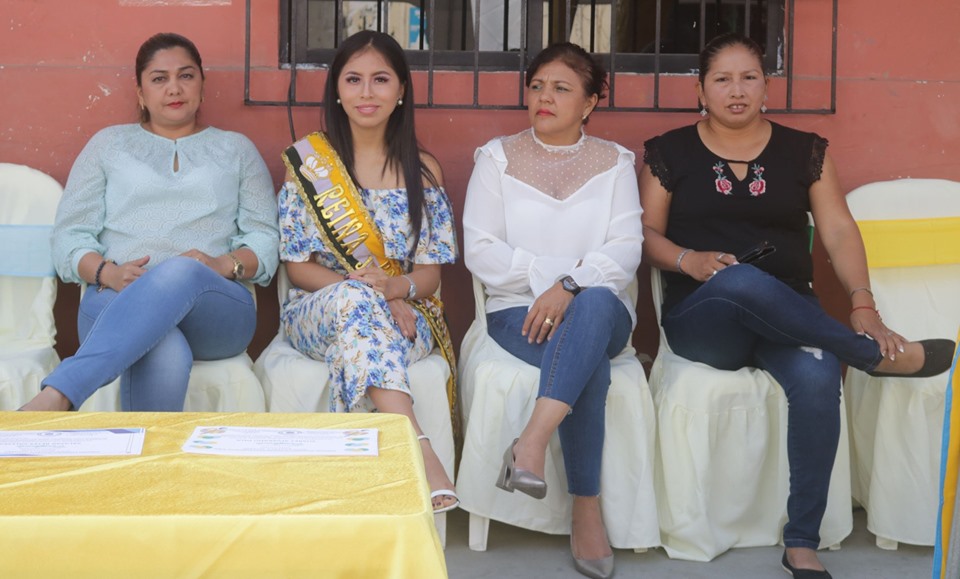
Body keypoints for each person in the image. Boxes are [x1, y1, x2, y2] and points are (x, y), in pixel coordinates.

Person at [639, 32, 955, 578]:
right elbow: (644, 235)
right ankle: (867, 356)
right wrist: (690, 260)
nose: (737, 90)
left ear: (767, 86)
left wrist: (862, 304)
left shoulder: (804, 151)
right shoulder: (669, 152)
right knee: (741, 280)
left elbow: (838, 231)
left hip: (788, 318)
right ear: (700, 90)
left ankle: (803, 540)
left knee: (816, 375)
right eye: (722, 79)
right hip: (705, 319)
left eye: (749, 78)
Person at [18, 33, 278, 413]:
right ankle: (145, 452)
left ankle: (60, 393)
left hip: (215, 311)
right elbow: (69, 237)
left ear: (202, 84)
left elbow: (265, 239)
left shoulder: (236, 150)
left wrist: (220, 264)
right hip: (115, 297)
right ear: (140, 92)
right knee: (162, 346)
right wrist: (108, 273)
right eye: (159, 79)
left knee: (183, 270)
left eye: (186, 76)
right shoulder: (108, 146)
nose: (174, 88)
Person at [463, 42, 643, 579]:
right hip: (517, 312)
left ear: (590, 102)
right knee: (587, 360)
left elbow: (626, 250)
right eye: (537, 86)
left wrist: (570, 286)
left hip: (603, 310)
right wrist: (555, 283)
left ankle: (531, 442)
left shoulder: (616, 162)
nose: (545, 96)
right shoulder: (496, 158)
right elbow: (481, 250)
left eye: (562, 88)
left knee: (594, 305)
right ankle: (586, 509)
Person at [277, 31, 459, 514]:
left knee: (359, 330)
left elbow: (430, 276)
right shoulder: (311, 168)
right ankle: (418, 447)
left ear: (401, 91)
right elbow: (298, 268)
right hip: (318, 313)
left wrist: (397, 287)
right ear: (337, 90)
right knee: (356, 304)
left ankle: (354, 491)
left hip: (409, 319)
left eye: (380, 80)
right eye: (353, 79)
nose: (366, 92)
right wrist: (379, 295)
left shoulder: (423, 172)